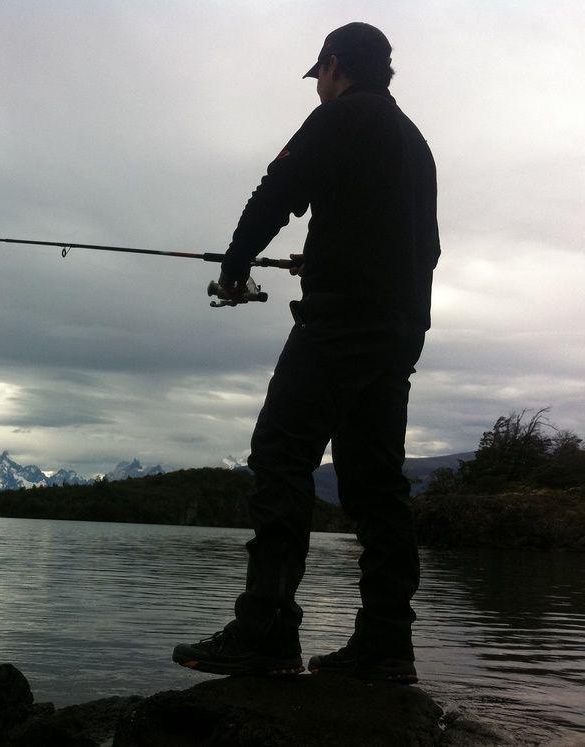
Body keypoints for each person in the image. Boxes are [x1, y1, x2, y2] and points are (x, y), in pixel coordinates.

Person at [173, 22, 439, 683]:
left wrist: (236, 267)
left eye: (319, 73)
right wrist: (325, 259)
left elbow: (277, 190)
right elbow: (421, 247)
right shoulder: (415, 143)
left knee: (279, 456)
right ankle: (385, 646)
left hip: (339, 327)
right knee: (378, 487)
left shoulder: (340, 118)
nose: (318, 86)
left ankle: (265, 630)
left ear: (337, 65)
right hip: (398, 332)